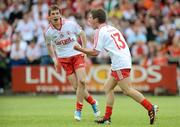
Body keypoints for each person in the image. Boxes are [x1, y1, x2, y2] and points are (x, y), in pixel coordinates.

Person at [74, 8, 158, 125]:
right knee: (107, 87)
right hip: (122, 59)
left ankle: (150, 107)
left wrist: (79, 49)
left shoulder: (100, 32)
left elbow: (95, 52)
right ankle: (107, 118)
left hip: (119, 62)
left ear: (96, 20)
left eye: (90, 18)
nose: (88, 20)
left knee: (127, 90)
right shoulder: (112, 28)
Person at [44, 5, 100, 121]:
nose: (55, 15)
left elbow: (82, 34)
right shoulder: (48, 32)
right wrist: (54, 59)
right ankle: (93, 103)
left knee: (82, 81)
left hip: (76, 55)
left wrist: (84, 49)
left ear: (60, 14)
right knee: (76, 87)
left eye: (57, 13)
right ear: (49, 17)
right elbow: (49, 45)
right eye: (53, 14)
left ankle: (78, 110)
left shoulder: (70, 24)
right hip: (64, 59)